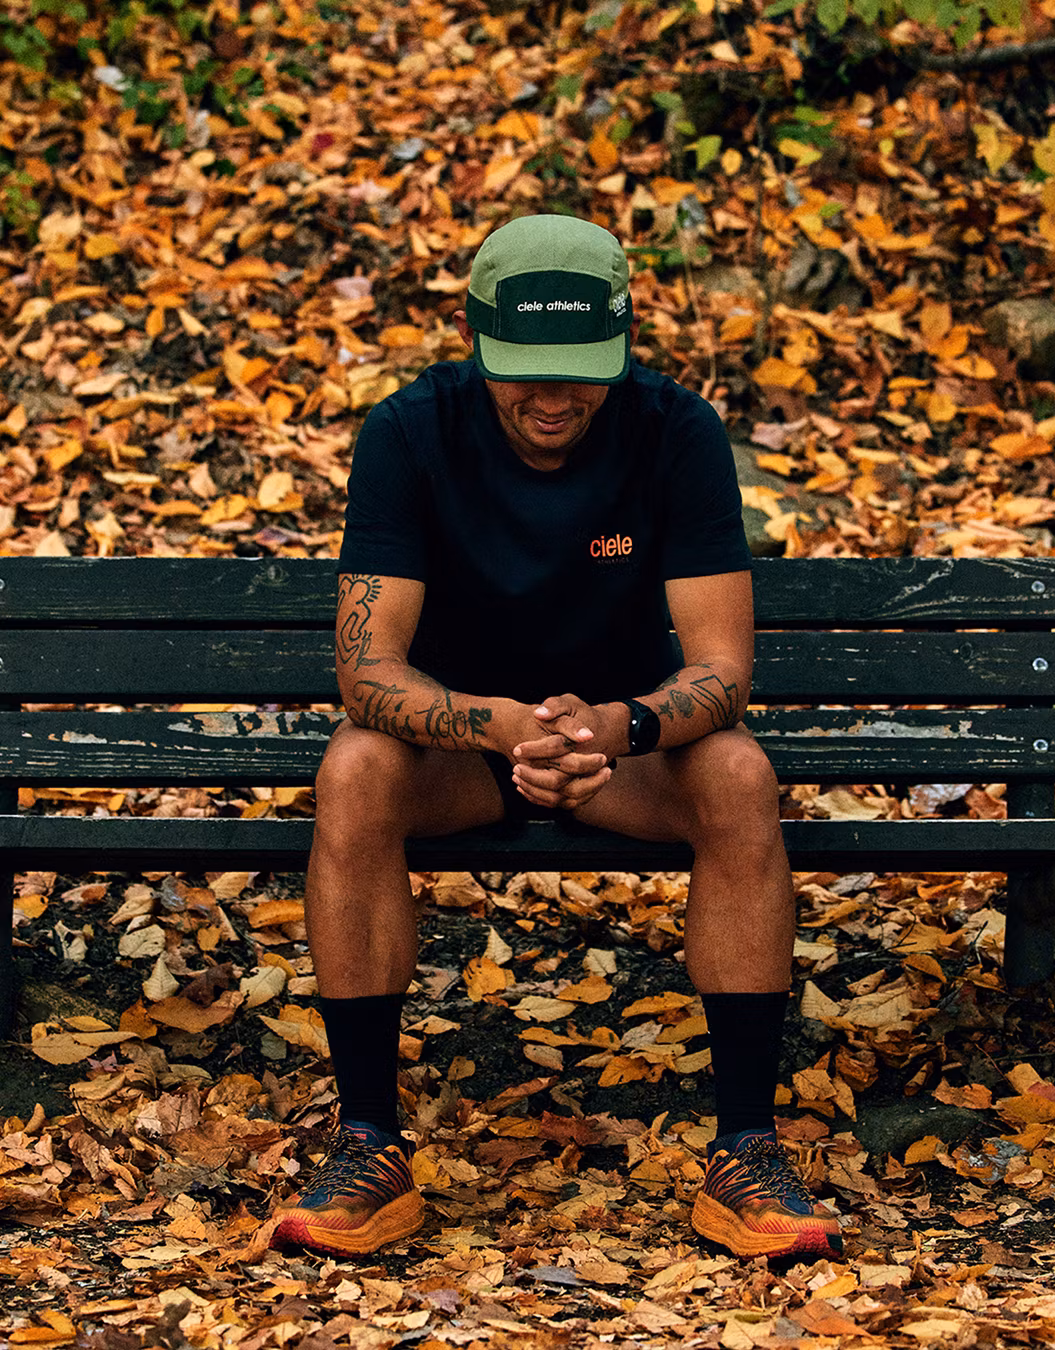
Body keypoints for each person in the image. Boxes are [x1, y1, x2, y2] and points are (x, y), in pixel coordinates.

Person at [269, 214, 842, 1263]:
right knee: (354, 770)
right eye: (524, 369)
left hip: (617, 754)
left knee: (738, 774)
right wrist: (494, 723)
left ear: (622, 343)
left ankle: (747, 1152)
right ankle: (367, 1144)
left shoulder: (676, 430)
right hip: (462, 751)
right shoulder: (410, 431)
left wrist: (620, 726)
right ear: (473, 337)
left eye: (580, 371)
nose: (552, 397)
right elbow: (367, 670)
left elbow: (722, 669)